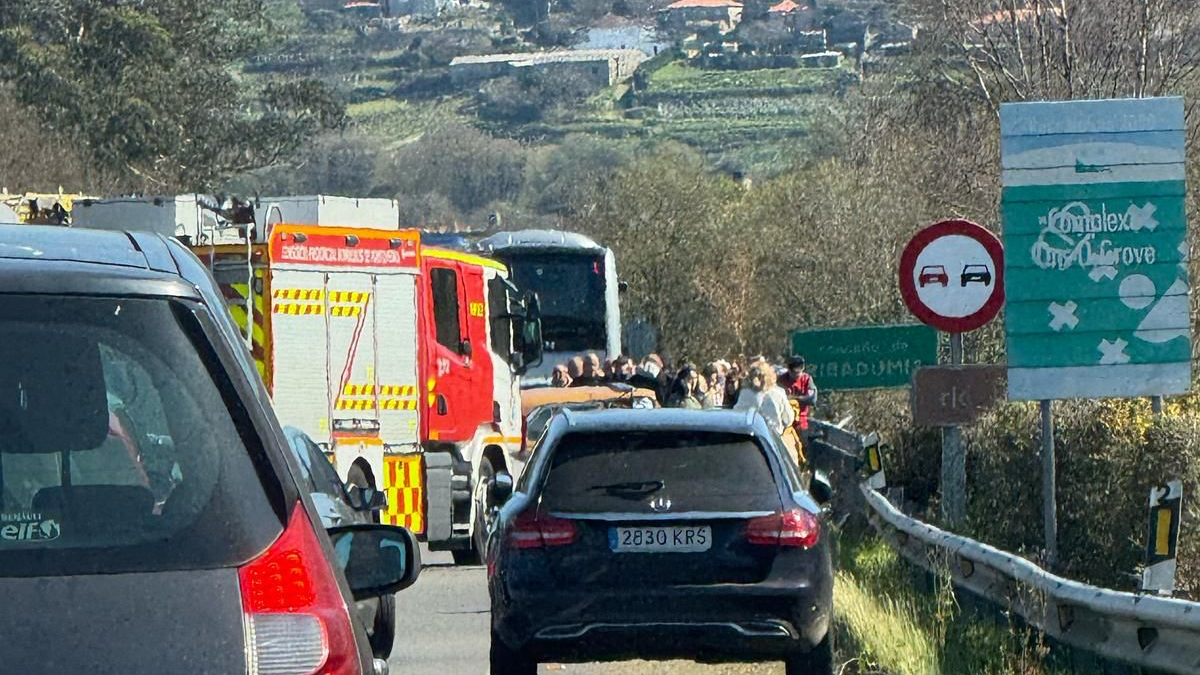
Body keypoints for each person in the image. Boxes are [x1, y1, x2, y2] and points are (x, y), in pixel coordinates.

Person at [734, 361, 801, 465]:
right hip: (774, 442)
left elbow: (736, 416)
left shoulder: (745, 394)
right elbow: (788, 419)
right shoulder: (779, 393)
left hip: (750, 443)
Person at [779, 355, 818, 441]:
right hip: (783, 422)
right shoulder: (781, 380)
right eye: (794, 373)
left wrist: (795, 399)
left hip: (800, 421)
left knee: (803, 444)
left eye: (799, 372)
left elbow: (812, 398)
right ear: (789, 370)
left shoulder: (807, 379)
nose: (797, 375)